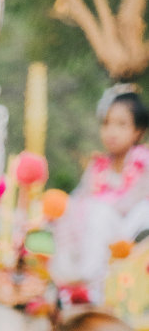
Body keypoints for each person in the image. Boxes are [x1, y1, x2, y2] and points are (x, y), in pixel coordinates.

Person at [55, 85, 149, 299]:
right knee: (73, 210)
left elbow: (133, 202)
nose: (111, 132)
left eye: (121, 124)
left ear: (138, 131)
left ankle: (91, 282)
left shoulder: (144, 162)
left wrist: (101, 208)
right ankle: (70, 283)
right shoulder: (98, 166)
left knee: (102, 211)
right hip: (98, 232)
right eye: (106, 124)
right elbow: (80, 197)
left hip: (131, 233)